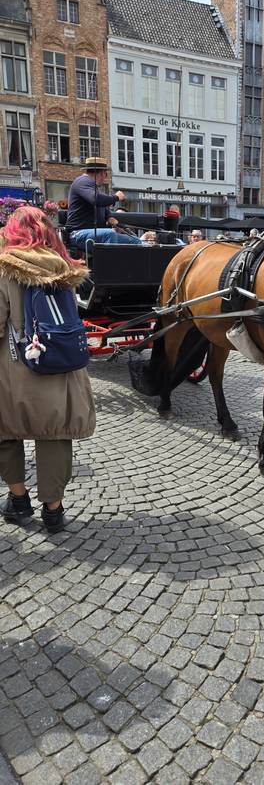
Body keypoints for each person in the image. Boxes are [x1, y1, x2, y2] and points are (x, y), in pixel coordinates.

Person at [0, 207, 95, 533]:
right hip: (60, 368)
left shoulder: (4, 268)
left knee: (5, 433)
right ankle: (54, 511)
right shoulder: (65, 268)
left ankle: (19, 500)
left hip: (15, 371)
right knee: (55, 436)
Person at [66, 156, 142, 249]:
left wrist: (109, 217)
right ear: (102, 173)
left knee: (135, 241)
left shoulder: (91, 186)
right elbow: (96, 199)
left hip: (94, 234)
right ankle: (110, 263)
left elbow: (101, 206)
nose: (105, 178)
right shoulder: (82, 182)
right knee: (109, 234)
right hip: (78, 233)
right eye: (106, 175)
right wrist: (116, 197)